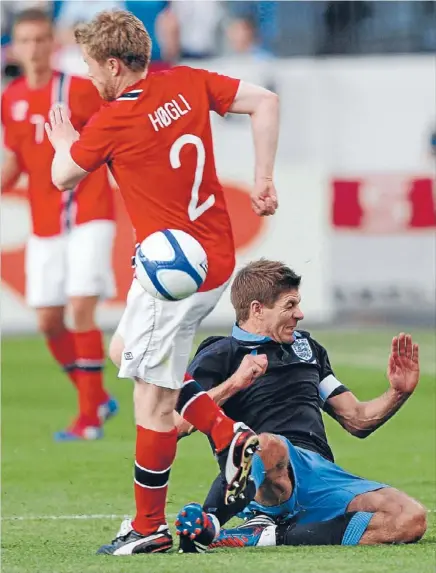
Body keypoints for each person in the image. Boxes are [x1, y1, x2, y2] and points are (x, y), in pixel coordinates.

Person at [44, 9, 279, 556]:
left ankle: (147, 527)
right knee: (124, 348)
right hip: (213, 256)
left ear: (111, 64)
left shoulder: (111, 119)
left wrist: (62, 139)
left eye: (88, 65)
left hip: (174, 274)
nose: (87, 76)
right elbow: (265, 101)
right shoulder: (187, 80)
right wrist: (264, 178)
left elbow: (61, 176)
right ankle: (227, 435)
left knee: (151, 403)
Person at [175, 259, 427, 551]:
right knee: (268, 444)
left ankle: (270, 536)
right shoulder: (221, 353)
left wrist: (398, 392)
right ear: (257, 309)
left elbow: (357, 419)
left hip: (319, 474)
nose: (300, 314)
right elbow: (178, 424)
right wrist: (235, 382)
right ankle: (210, 525)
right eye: (290, 305)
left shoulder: (307, 349)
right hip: (263, 472)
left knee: (410, 518)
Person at [1, 8, 117, 441]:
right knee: (49, 320)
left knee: (80, 309)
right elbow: (15, 158)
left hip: (88, 211)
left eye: (40, 40)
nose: (33, 48)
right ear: (14, 47)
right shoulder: (10, 97)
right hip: (44, 221)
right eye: (25, 41)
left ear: (53, 44)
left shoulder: (78, 91)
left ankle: (89, 419)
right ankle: (98, 399)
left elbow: (113, 132)